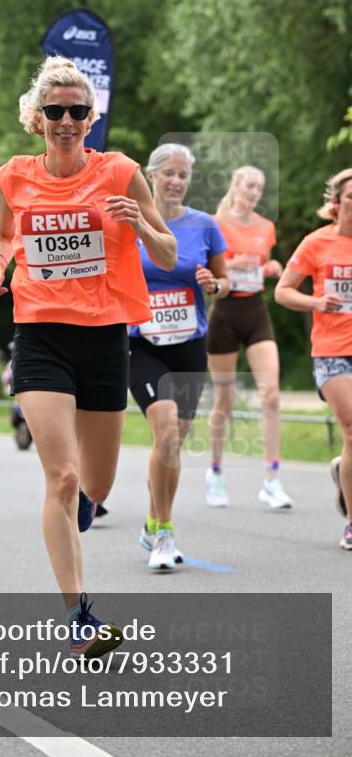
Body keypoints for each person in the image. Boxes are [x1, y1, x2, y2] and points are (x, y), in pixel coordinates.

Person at [0, 56, 176, 657]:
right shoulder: (12, 175)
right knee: (61, 479)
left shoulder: (120, 171)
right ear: (38, 118)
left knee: (94, 484)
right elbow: (4, 233)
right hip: (40, 334)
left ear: (92, 117)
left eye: (77, 111)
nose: (66, 120)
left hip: (104, 337)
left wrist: (139, 222)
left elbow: (167, 254)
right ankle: (78, 615)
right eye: (55, 111)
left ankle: (87, 507)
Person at [129, 144, 229, 571]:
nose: (176, 181)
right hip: (141, 342)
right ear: (151, 175)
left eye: (183, 175)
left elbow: (224, 282)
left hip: (189, 344)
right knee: (166, 431)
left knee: (172, 443)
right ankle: (165, 534)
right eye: (168, 172)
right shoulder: (130, 222)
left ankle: (152, 521)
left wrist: (213, 284)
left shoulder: (204, 225)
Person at [205, 166, 293, 509]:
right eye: (250, 185)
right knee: (224, 402)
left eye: (260, 187)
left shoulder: (266, 227)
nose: (255, 191)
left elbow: (265, 265)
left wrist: (271, 269)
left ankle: (272, 479)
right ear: (236, 186)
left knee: (271, 395)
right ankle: (215, 473)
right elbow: (210, 271)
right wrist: (232, 263)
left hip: (256, 313)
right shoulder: (216, 223)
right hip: (224, 313)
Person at [275, 168, 352, 550]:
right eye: (351, 196)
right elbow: (283, 292)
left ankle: (342, 471)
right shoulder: (315, 243)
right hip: (332, 350)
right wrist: (316, 302)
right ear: (336, 204)